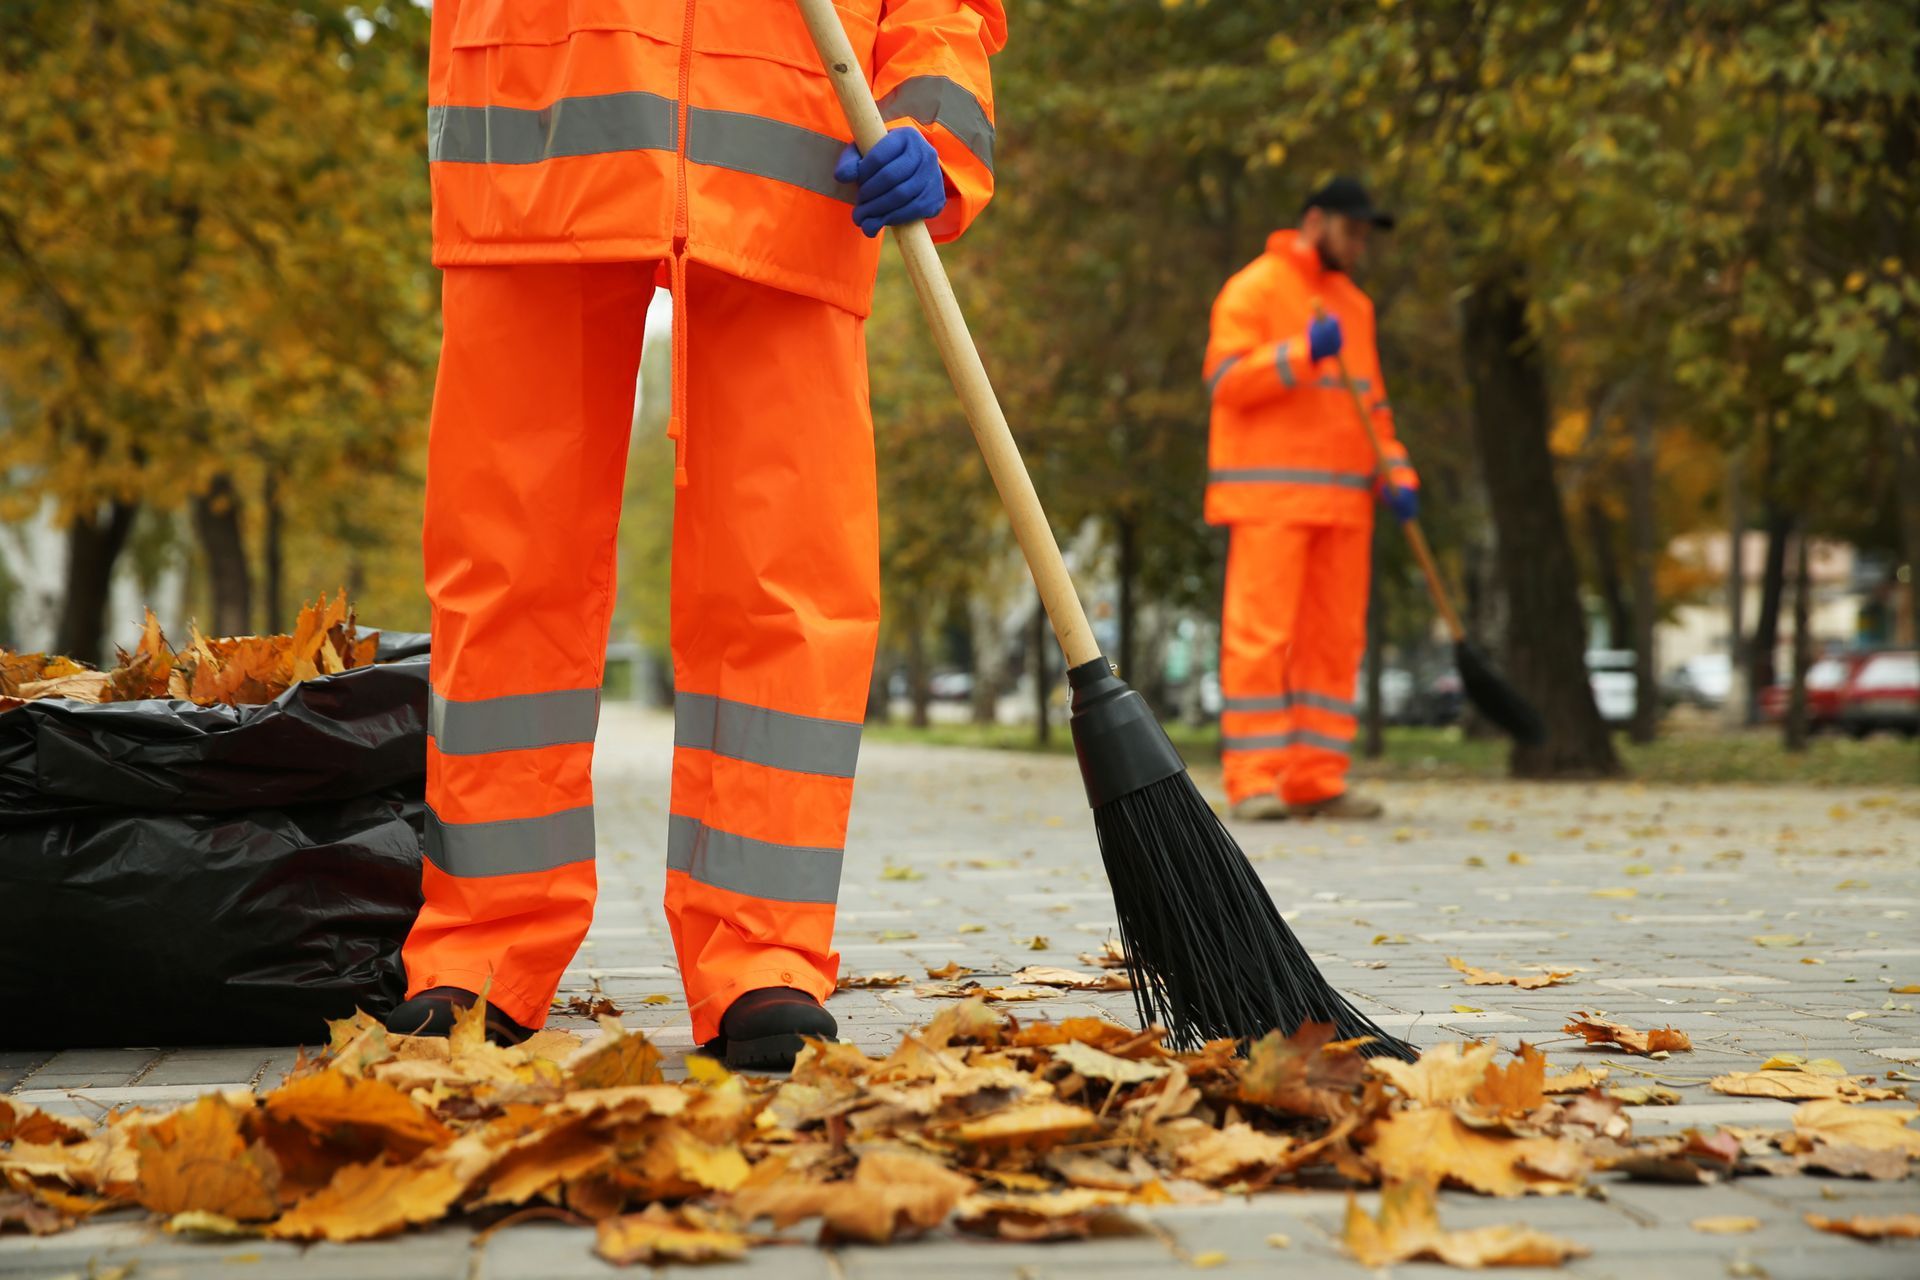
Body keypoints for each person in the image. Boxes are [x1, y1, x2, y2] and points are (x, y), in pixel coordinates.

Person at [386, 1, 1005, 1069]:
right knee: (506, 570)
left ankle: (763, 957)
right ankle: (481, 952)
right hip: (535, 132)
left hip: (803, 157)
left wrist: (936, 138)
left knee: (787, 579)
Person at [1201, 176, 1418, 822]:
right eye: (1353, 232)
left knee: (1334, 642)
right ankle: (1254, 780)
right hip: (1269, 499)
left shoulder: (1355, 308)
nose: (1360, 247)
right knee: (1261, 639)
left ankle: (1317, 778)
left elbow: (1372, 405)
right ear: (1316, 222)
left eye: (1365, 237)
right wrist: (1300, 354)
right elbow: (1226, 380)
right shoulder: (1255, 288)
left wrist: (1397, 471)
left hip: (1346, 505)